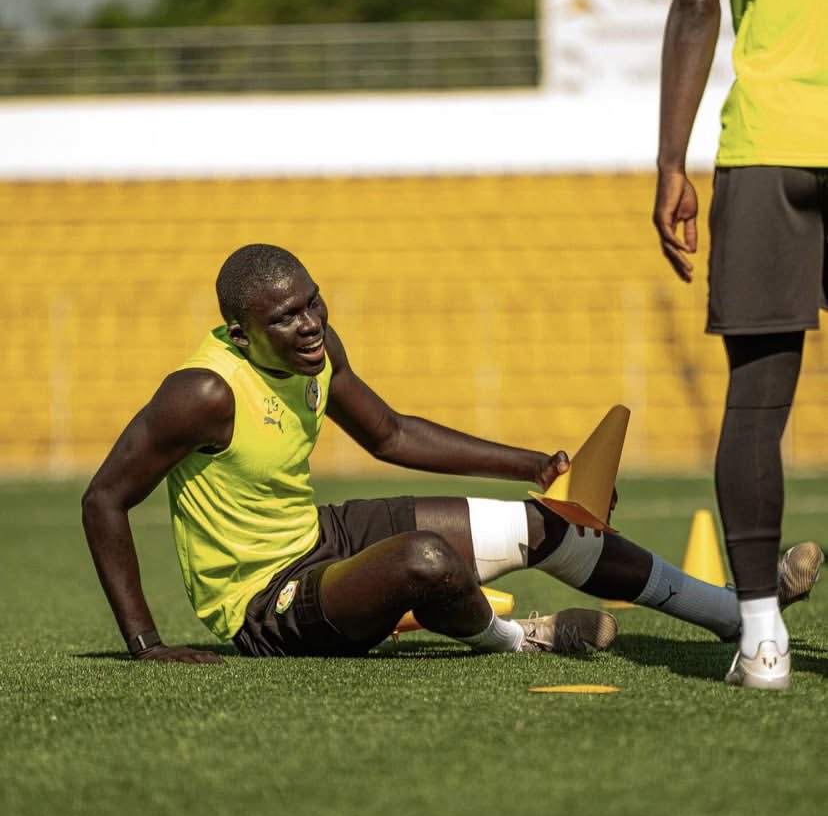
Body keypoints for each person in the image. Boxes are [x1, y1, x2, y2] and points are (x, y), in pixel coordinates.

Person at [82, 245, 820, 664]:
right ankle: (515, 639)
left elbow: (391, 433)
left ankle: (733, 614)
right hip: (263, 604)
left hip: (317, 538)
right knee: (425, 561)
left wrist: (533, 465)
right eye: (286, 318)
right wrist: (146, 643)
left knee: (551, 526)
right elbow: (103, 499)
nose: (310, 325)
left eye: (314, 302)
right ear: (242, 334)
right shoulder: (204, 393)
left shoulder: (318, 352)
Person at [653, 0, 827, 688]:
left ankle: (762, 641)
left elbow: (697, 4)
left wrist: (669, 161)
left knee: (756, 404)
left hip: (767, 144)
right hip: (771, 139)